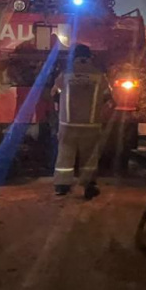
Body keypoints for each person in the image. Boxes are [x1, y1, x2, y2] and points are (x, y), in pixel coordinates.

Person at [52, 44, 112, 199]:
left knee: (65, 154)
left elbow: (54, 92)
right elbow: (108, 96)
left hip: (67, 123)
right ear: (89, 57)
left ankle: (62, 185)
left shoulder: (65, 74)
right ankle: (89, 185)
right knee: (89, 157)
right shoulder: (99, 76)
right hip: (91, 125)